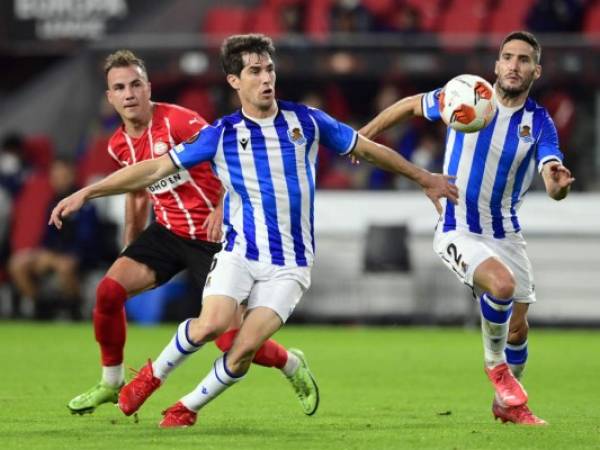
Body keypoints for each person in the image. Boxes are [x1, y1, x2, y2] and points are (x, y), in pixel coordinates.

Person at [50, 34, 458, 428]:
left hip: (289, 264)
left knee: (241, 348)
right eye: (254, 72)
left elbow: (368, 149)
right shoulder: (222, 134)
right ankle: (147, 377)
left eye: (269, 69)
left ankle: (187, 406)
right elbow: (153, 171)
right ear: (234, 81)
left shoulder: (307, 121)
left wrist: (423, 177)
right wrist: (88, 192)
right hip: (238, 252)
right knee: (208, 324)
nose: (265, 79)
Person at [66, 49, 319, 417]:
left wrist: (220, 206)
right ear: (110, 97)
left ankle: (291, 364)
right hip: (168, 232)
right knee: (108, 292)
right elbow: (138, 194)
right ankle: (111, 381)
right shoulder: (117, 143)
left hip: (216, 239)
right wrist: (131, 247)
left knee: (231, 342)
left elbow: (232, 156)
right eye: (119, 88)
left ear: (148, 87)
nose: (129, 94)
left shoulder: (181, 122)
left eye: (136, 84)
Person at [360, 31, 574, 426]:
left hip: (506, 232)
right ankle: (496, 371)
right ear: (496, 65)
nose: (513, 65)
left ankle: (506, 405)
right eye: (507, 57)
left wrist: (557, 185)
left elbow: (550, 173)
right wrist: (364, 136)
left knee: (517, 328)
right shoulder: (465, 92)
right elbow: (410, 106)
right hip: (458, 225)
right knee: (502, 286)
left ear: (536, 71)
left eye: (524, 60)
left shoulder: (539, 122)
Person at [8, 158, 99, 318]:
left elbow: (87, 240)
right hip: (53, 254)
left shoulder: (86, 204)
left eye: (62, 175)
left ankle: (75, 310)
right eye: (54, 176)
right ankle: (41, 307)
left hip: (79, 256)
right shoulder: (53, 204)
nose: (57, 180)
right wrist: (45, 254)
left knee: (65, 267)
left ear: (72, 175)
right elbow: (47, 235)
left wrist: (59, 256)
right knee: (17, 264)